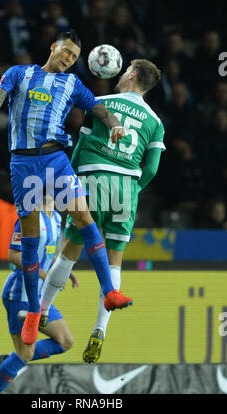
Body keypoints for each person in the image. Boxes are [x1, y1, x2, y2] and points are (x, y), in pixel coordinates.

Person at [0, 30, 131, 359]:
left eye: (74, 57)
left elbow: (99, 111)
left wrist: (115, 124)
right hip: (22, 163)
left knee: (84, 218)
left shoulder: (73, 85)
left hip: (54, 159)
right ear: (53, 46)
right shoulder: (19, 73)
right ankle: (35, 313)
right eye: (65, 52)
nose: (68, 59)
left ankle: (110, 292)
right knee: (31, 241)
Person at [40, 59, 165, 363]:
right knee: (114, 264)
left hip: (94, 177)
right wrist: (133, 189)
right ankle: (99, 330)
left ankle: (40, 311)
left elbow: (80, 148)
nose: (121, 76)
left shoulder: (102, 103)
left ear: (132, 75)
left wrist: (73, 190)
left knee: (70, 250)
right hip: (127, 187)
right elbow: (151, 168)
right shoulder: (155, 121)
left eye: (125, 72)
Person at [0, 196, 79, 394]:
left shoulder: (56, 217)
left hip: (39, 296)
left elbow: (46, 252)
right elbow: (14, 255)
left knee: (65, 341)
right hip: (19, 294)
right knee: (25, 353)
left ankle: (8, 360)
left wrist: (60, 268)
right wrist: (45, 274)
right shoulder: (28, 217)